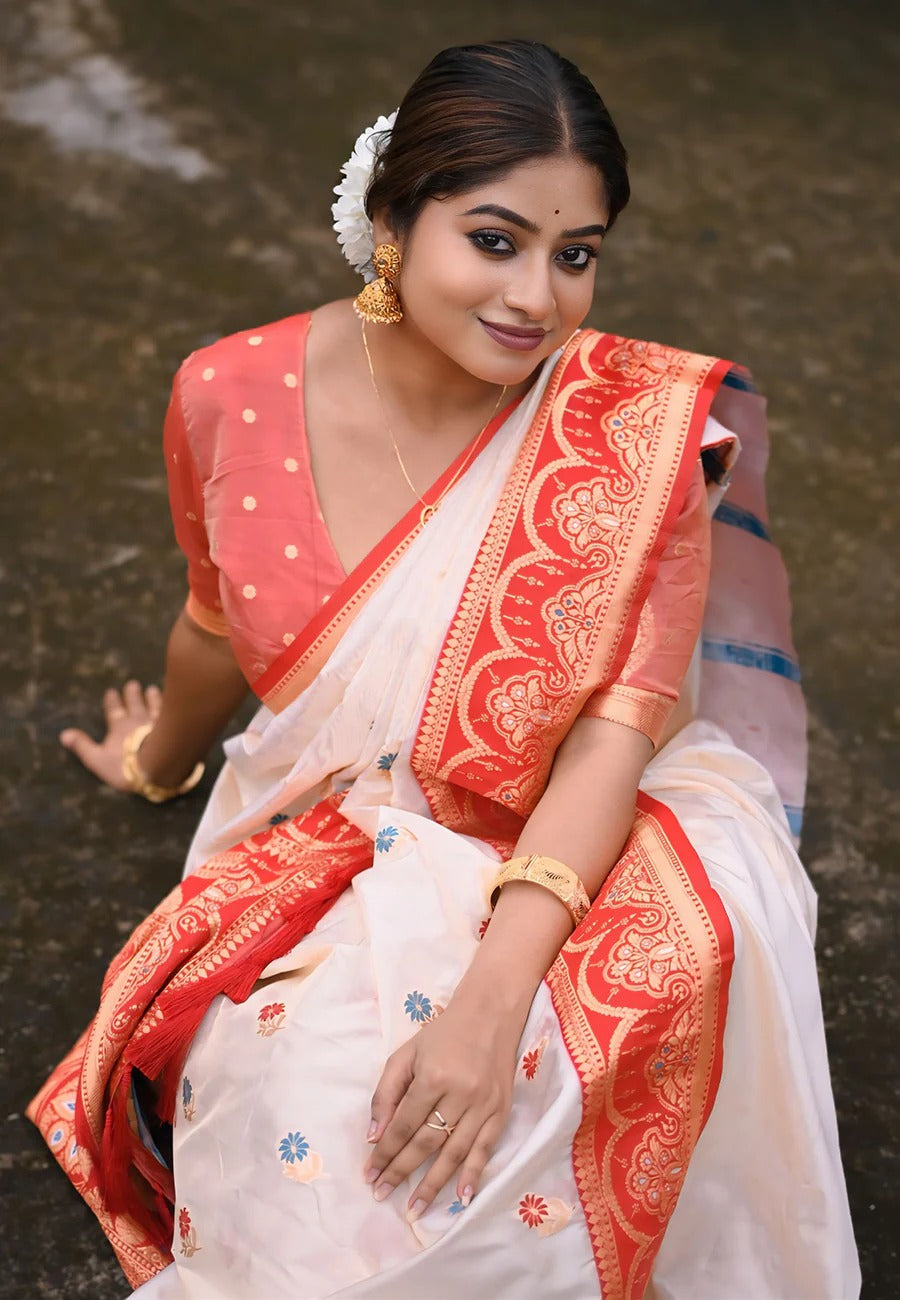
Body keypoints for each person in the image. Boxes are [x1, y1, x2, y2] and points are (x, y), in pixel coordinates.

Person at [28, 39, 860, 1300]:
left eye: (575, 254)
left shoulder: (639, 444)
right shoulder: (228, 396)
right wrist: (156, 759)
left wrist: (486, 1001)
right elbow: (213, 626)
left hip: (574, 847)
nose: (538, 296)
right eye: (495, 238)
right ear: (390, 222)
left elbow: (611, 739)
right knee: (310, 1122)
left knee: (518, 1112)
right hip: (343, 838)